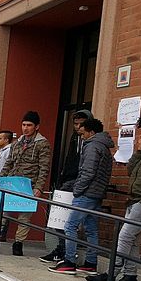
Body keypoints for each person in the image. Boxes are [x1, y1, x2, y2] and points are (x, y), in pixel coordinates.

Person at [87, 112, 141, 281]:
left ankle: (112, 272)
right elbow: (130, 171)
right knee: (133, 239)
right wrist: (139, 151)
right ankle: (130, 275)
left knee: (125, 236)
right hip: (134, 199)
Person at [0, 111, 50, 256]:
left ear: (36, 127)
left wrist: (39, 187)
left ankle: (18, 243)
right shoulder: (17, 144)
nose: (25, 128)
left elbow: (44, 167)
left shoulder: (42, 144)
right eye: (23, 125)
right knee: (0, 212)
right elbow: (8, 164)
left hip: (29, 185)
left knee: (24, 217)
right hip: (11, 183)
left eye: (29, 125)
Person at [49, 118, 113, 274]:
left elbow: (88, 171)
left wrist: (77, 189)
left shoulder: (92, 146)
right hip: (97, 193)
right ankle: (91, 263)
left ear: (91, 132)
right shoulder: (104, 147)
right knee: (91, 229)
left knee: (70, 226)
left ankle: (69, 261)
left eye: (83, 133)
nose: (81, 136)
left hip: (86, 193)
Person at [41, 110, 94, 263]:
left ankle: (69, 254)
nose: (78, 127)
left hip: (79, 184)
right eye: (75, 124)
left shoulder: (90, 142)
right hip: (68, 181)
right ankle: (61, 248)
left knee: (71, 222)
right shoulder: (74, 138)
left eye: (81, 124)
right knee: (60, 219)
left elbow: (86, 167)